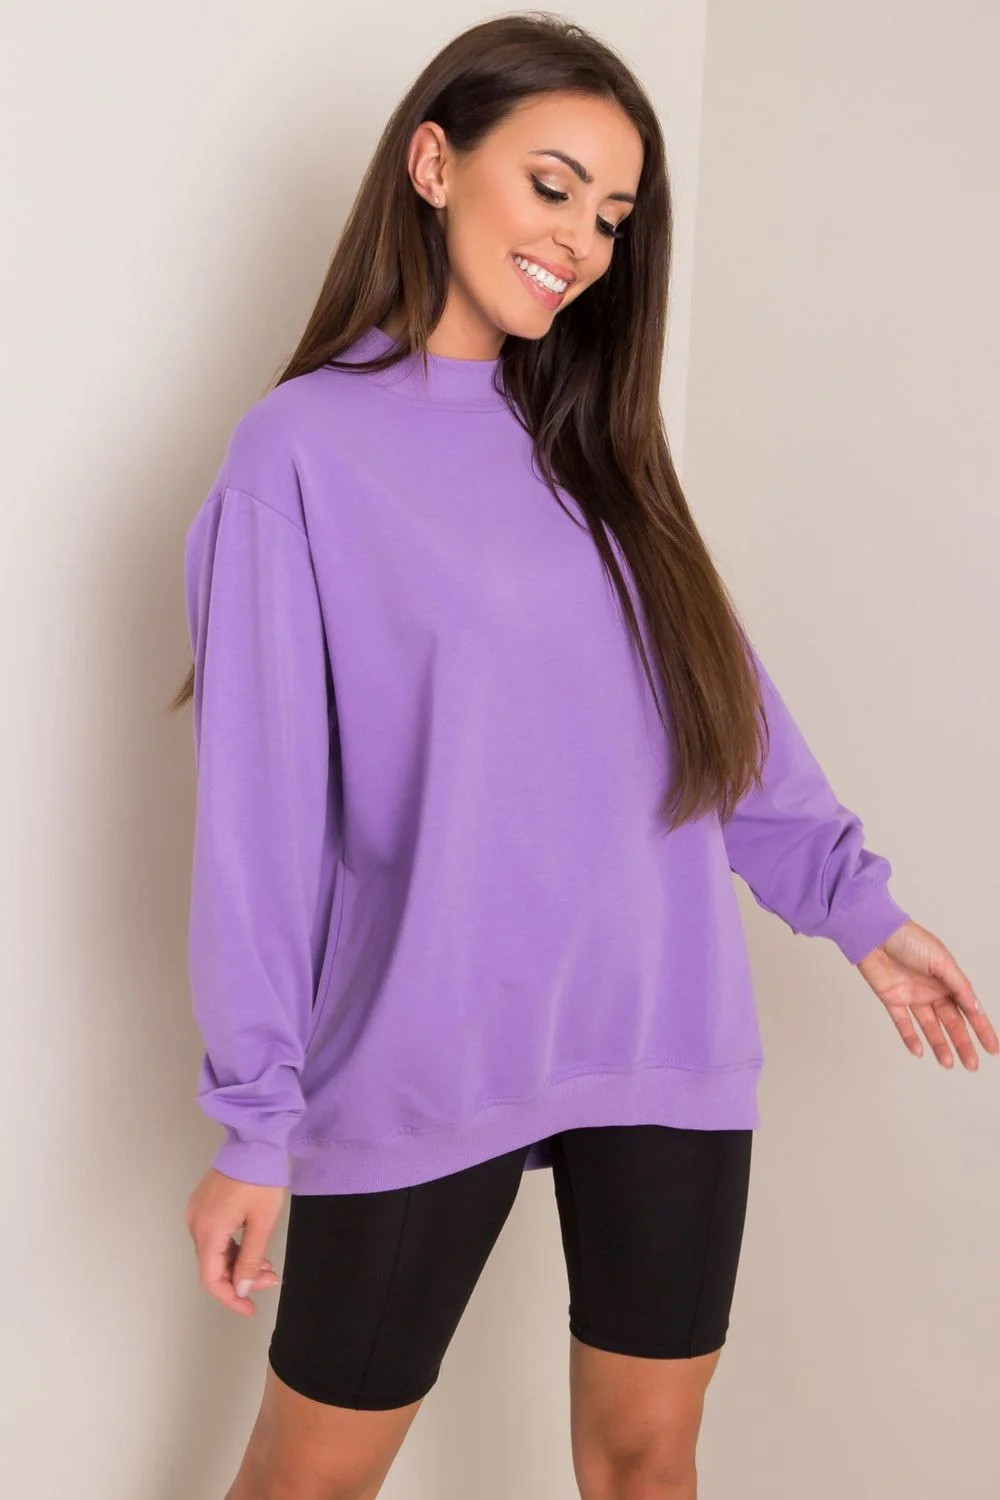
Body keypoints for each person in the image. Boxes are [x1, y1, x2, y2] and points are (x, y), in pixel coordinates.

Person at [170, 14, 997, 1500]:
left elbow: (717, 711)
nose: (582, 242)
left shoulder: (596, 444)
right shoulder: (300, 455)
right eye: (552, 188)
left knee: (645, 1460)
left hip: (661, 1023)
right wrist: (254, 1119)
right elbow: (260, 818)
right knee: (312, 1479)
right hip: (427, 1044)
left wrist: (860, 914)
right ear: (435, 163)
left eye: (612, 216)